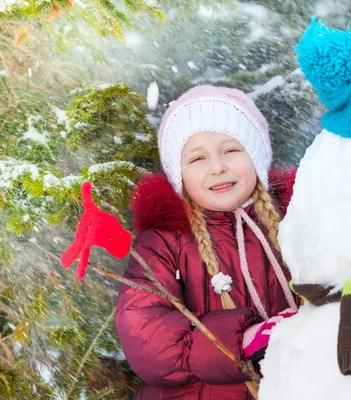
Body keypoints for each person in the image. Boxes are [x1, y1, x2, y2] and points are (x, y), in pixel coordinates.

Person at [115, 85, 299, 399]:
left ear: (256, 156)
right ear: (179, 175)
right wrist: (241, 340)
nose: (217, 167)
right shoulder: (163, 242)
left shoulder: (296, 221)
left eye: (231, 150)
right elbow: (143, 332)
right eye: (197, 158)